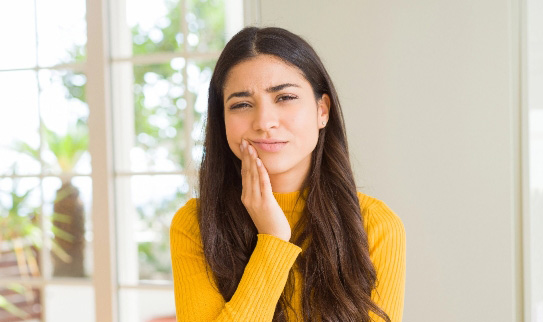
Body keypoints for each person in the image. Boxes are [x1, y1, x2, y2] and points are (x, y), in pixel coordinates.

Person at [169, 26, 406, 322]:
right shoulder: (195, 225)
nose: (264, 122)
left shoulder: (375, 225)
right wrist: (273, 240)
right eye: (241, 104)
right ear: (223, 121)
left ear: (322, 110)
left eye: (284, 97)